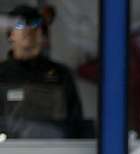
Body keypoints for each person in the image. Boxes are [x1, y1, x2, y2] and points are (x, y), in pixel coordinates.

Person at [0, 4, 86, 139]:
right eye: (21, 25)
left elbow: (75, 125)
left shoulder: (61, 75)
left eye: (35, 24)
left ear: (43, 35)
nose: (29, 30)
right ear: (10, 35)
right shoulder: (2, 74)